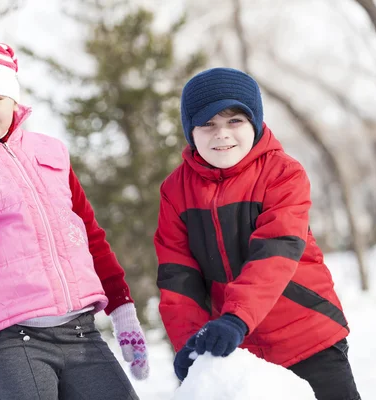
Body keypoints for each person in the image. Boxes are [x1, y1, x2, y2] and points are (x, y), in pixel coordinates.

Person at [0, 40, 148, 400]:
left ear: (14, 99)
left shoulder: (50, 152)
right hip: (9, 343)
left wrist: (123, 312)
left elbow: (89, 235)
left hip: (80, 333)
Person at [154, 67, 361, 400]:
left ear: (255, 121)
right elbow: (178, 276)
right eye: (207, 123)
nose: (221, 134)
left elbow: (275, 252)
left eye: (234, 120)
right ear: (189, 129)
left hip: (308, 337)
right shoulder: (175, 191)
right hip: (241, 354)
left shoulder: (282, 173)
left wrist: (236, 317)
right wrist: (189, 340)